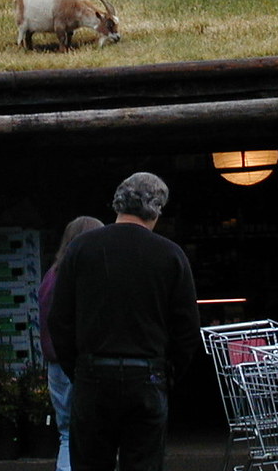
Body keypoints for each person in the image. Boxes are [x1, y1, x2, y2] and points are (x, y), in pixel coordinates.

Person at [48, 172, 202, 471]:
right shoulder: (170, 254)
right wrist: (167, 373)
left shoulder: (81, 248)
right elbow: (187, 329)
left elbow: (59, 320)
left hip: (93, 375)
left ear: (118, 204)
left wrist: (77, 370)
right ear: (156, 208)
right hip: (146, 375)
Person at [39, 215, 105, 471]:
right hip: (80, 363)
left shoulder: (51, 275)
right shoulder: (83, 276)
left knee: (67, 434)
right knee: (95, 433)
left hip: (55, 364)